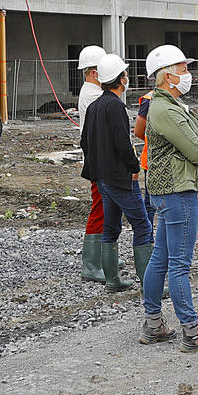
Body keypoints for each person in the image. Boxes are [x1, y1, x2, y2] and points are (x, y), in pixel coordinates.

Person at [139, 44, 198, 352]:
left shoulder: (165, 106)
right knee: (179, 264)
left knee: (161, 258)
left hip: (167, 191)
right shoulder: (166, 110)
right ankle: (192, 330)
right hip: (178, 190)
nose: (188, 74)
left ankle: (153, 324)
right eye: (183, 69)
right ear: (166, 76)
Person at [80, 54, 153, 293]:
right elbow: (123, 143)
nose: (127, 78)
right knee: (142, 225)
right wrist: (133, 167)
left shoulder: (94, 106)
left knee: (111, 227)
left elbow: (85, 141)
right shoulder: (116, 107)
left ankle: (113, 280)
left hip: (101, 178)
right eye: (125, 74)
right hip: (120, 178)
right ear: (121, 80)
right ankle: (149, 284)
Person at [75, 44, 108, 284]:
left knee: (107, 209)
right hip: (100, 161)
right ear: (95, 72)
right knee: (100, 209)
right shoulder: (94, 95)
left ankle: (104, 256)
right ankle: (92, 263)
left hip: (98, 159)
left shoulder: (90, 92)